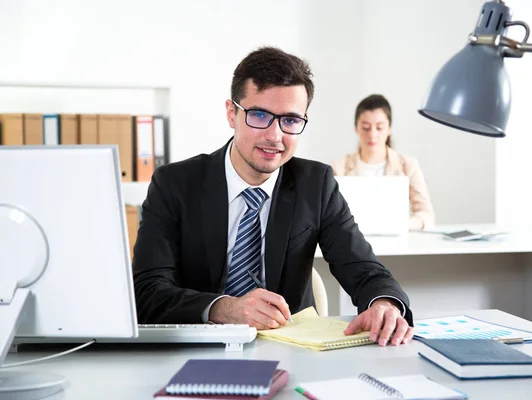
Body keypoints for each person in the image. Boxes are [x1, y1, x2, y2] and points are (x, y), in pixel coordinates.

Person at [132, 47, 414, 346]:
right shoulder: (175, 184)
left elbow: (363, 268)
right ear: (232, 113)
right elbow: (147, 292)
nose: (275, 135)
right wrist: (227, 309)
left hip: (289, 350)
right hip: (195, 347)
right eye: (259, 115)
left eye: (290, 120)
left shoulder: (316, 184)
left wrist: (385, 304)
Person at [331, 94, 435, 230]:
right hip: (353, 242)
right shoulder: (339, 167)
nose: (372, 134)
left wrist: (401, 225)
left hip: (396, 243)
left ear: (389, 128)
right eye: (366, 128)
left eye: (379, 127)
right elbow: (329, 215)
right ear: (356, 128)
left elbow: (426, 214)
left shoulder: (408, 165)